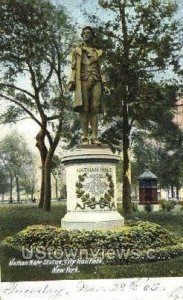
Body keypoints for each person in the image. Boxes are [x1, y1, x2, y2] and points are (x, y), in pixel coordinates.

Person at [68, 26, 110, 144]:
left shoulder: (99, 52)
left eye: (89, 33)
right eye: (84, 33)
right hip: (82, 81)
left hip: (96, 80)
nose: (86, 34)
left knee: (95, 108)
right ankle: (85, 137)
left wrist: (105, 83)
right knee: (84, 108)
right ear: (82, 36)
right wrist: (72, 81)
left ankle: (95, 137)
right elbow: (73, 67)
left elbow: (102, 69)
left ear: (93, 35)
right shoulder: (77, 51)